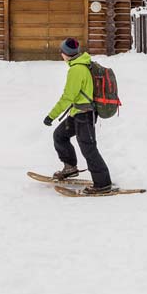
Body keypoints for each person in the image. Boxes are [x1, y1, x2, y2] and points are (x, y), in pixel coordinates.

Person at [43, 37, 112, 195]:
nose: (61, 54)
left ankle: (103, 184)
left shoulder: (77, 70)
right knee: (60, 135)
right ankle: (70, 167)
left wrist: (51, 116)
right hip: (77, 113)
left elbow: (68, 97)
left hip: (84, 115)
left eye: (61, 52)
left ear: (66, 54)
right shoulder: (81, 64)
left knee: (89, 149)